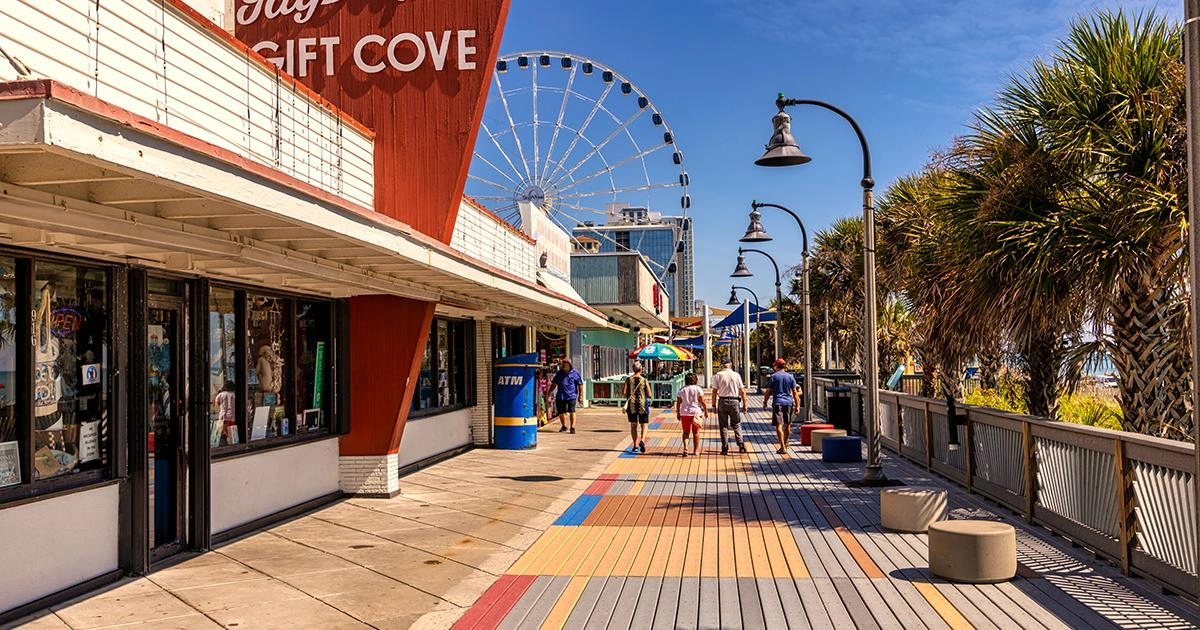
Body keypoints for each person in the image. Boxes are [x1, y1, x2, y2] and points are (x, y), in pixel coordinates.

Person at [763, 358, 801, 454]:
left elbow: (768, 391)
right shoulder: (790, 377)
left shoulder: (773, 377)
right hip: (788, 403)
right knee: (787, 425)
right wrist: (797, 406)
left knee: (779, 425)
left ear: (776, 366)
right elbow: (795, 392)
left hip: (778, 403)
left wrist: (765, 402)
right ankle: (785, 443)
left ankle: (782, 447)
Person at [710, 358, 747, 455]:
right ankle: (740, 444)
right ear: (731, 364)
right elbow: (742, 391)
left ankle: (725, 447)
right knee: (736, 424)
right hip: (735, 401)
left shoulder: (718, 375)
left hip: (722, 401)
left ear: (723, 365)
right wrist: (745, 405)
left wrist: (713, 405)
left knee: (723, 426)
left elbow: (714, 391)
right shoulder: (736, 375)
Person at [675, 372, 707, 456]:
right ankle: (696, 450)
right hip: (696, 413)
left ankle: (685, 448)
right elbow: (702, 401)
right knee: (696, 432)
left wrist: (678, 412)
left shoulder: (682, 390)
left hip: (684, 413)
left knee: (686, 432)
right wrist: (706, 411)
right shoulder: (698, 389)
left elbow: (678, 403)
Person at [623, 363, 652, 453]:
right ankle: (642, 440)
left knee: (633, 425)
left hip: (631, 404)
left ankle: (635, 445)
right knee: (644, 424)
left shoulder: (628, 380)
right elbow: (649, 394)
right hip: (642, 404)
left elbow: (624, 393)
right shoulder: (644, 380)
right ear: (641, 369)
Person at [550, 359, 583, 433]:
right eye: (562, 364)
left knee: (572, 411)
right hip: (561, 396)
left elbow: (580, 384)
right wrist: (549, 392)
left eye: (565, 364)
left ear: (569, 364)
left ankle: (572, 427)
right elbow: (554, 384)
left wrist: (580, 395)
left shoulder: (575, 373)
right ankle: (564, 426)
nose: (563, 365)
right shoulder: (559, 373)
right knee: (561, 412)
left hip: (571, 395)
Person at [214, 380, 238, 445]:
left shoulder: (220, 395)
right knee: (231, 432)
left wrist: (217, 413)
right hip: (232, 416)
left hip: (223, 416)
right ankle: (232, 443)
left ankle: (221, 444)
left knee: (221, 432)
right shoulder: (233, 395)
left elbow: (216, 405)